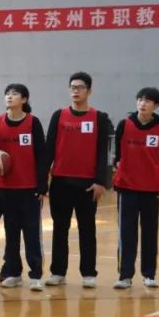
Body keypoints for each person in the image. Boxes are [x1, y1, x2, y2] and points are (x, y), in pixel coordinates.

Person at [44, 72, 111, 289]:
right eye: (72, 87)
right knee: (60, 229)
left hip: (88, 184)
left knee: (87, 230)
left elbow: (103, 153)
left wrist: (101, 181)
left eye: (80, 87)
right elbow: (49, 149)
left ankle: (89, 273)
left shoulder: (99, 117)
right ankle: (58, 272)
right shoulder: (59, 116)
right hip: (61, 182)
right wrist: (41, 183)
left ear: (89, 91)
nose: (76, 91)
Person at [0, 84, 47, 291]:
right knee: (11, 233)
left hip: (29, 189)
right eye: (7, 94)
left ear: (24, 99)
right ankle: (13, 272)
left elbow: (42, 155)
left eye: (14, 94)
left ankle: (36, 275)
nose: (9, 97)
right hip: (5, 188)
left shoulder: (33, 122)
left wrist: (42, 187)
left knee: (31, 233)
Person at [113, 88, 159, 289]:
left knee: (149, 233)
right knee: (126, 233)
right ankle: (125, 275)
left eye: (147, 101)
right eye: (139, 99)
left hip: (150, 188)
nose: (142, 103)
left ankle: (149, 274)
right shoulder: (124, 125)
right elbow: (118, 154)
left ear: (156, 105)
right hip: (126, 187)